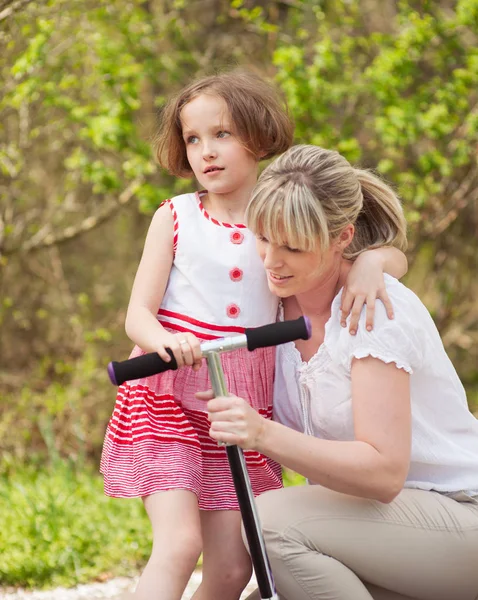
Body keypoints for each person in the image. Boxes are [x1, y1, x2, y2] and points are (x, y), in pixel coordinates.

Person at [101, 74, 407, 600]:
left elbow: (389, 258)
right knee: (178, 545)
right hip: (170, 392)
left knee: (232, 569)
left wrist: (372, 264)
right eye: (193, 139)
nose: (205, 152)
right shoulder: (176, 217)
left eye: (221, 134)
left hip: (243, 399)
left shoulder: (285, 218)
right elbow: (137, 315)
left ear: (259, 137)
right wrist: (164, 342)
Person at [202, 144, 478, 600]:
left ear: (342, 237)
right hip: (377, 530)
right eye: (264, 238)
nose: (271, 260)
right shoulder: (268, 307)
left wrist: (262, 433)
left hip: (459, 519)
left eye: (292, 246)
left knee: (270, 521)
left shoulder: (375, 310)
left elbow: (384, 473)